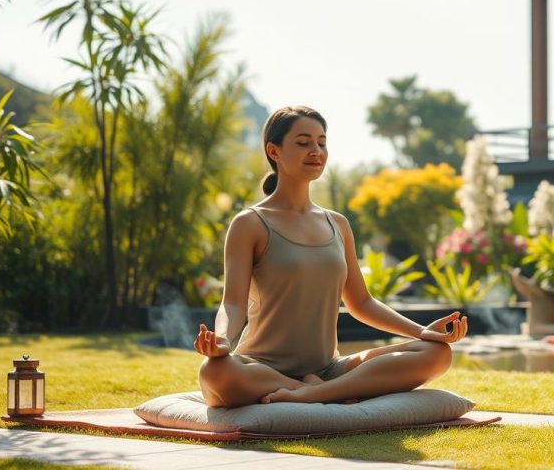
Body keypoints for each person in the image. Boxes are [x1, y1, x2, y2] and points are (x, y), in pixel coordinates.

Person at [194, 105, 468, 407]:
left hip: (328, 369)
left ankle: (314, 393)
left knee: (436, 353)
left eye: (321, 143)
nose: (316, 151)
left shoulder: (337, 223)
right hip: (262, 366)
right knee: (215, 372)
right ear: (274, 151)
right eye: (303, 142)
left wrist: (423, 331)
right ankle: (317, 390)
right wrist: (221, 340)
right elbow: (232, 303)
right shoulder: (249, 223)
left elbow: (361, 302)